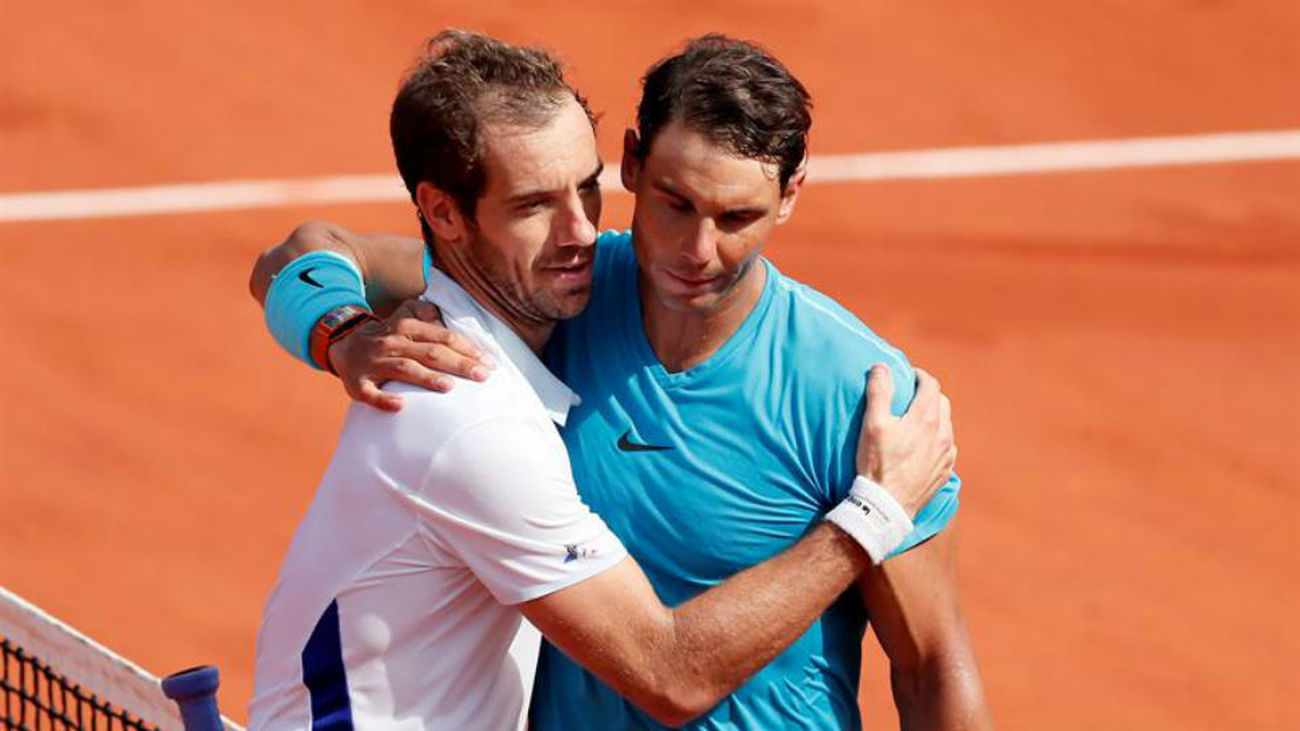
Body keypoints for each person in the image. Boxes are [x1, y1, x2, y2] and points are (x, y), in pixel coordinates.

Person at [247, 31, 961, 731]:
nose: (697, 251)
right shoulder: (557, 295)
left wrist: (881, 505)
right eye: (675, 203)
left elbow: (932, 664)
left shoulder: (860, 397)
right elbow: (303, 252)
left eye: (737, 216)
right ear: (633, 166)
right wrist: (342, 333)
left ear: (791, 194)